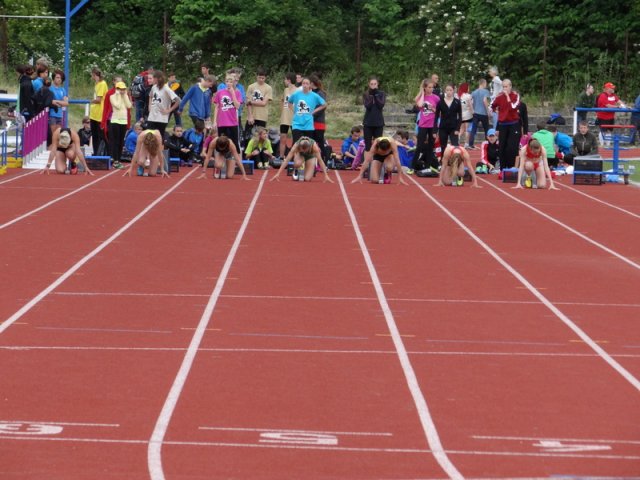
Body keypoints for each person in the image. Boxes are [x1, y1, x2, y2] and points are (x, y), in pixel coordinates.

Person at [490, 79, 521, 171]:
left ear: (510, 87)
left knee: (511, 147)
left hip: (513, 124)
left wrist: (507, 96)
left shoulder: (515, 95)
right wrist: (494, 110)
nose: (504, 88)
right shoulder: (499, 97)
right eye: (503, 87)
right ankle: (502, 168)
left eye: (506, 86)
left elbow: (513, 107)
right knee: (502, 147)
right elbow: (492, 105)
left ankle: (512, 167)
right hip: (503, 124)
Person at [413, 79, 441, 173]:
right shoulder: (421, 96)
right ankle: (413, 166)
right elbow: (420, 104)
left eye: (432, 87)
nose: (431, 89)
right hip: (423, 124)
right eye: (429, 87)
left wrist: (433, 109)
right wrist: (422, 92)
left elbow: (440, 113)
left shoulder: (436, 98)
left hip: (432, 125)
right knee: (419, 145)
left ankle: (428, 166)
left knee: (430, 146)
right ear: (425, 87)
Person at [287, 77, 326, 143]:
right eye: (303, 83)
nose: (305, 85)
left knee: (308, 145)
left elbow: (324, 104)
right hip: (297, 124)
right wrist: (294, 110)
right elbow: (289, 102)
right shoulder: (296, 94)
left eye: (307, 83)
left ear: (310, 85)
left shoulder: (314, 96)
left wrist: (314, 111)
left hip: (308, 125)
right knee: (296, 144)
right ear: (301, 84)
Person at [213, 74, 243, 151]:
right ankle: (222, 160)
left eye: (231, 82)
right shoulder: (220, 92)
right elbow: (216, 107)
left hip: (233, 122)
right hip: (222, 122)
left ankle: (235, 161)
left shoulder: (237, 93)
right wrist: (214, 122)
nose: (229, 83)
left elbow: (237, 106)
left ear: (234, 83)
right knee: (222, 143)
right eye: (227, 81)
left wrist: (232, 93)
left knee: (235, 144)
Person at [147, 70, 179, 138]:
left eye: (154, 78)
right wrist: (149, 106)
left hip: (161, 118)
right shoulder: (154, 87)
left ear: (157, 78)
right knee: (149, 137)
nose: (152, 79)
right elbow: (150, 96)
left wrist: (169, 110)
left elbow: (178, 100)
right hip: (152, 117)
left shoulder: (166, 88)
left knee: (159, 138)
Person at [108, 81, 132, 169]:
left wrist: (125, 95)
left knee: (121, 142)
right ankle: (115, 160)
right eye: (120, 89)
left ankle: (118, 159)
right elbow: (117, 105)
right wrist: (118, 95)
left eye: (123, 89)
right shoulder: (112, 97)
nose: (122, 91)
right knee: (116, 141)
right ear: (117, 89)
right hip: (115, 121)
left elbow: (129, 105)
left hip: (123, 122)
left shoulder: (124, 96)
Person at [435, 84, 462, 158]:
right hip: (443, 128)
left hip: (453, 128)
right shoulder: (440, 102)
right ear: (445, 91)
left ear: (453, 91)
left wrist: (457, 129)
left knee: (455, 146)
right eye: (447, 90)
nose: (449, 92)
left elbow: (460, 117)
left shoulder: (457, 102)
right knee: (443, 146)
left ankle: (456, 162)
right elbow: (436, 116)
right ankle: (443, 162)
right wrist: (435, 130)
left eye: (450, 90)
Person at [362, 76, 386, 154]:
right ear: (369, 85)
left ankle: (376, 164)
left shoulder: (382, 93)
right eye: (371, 84)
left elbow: (381, 105)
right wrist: (371, 96)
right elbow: (367, 106)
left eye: (374, 84)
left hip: (378, 122)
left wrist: (376, 96)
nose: (373, 86)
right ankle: (366, 164)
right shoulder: (366, 94)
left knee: (378, 145)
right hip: (368, 122)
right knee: (367, 146)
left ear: (377, 84)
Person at [245, 68, 273, 134]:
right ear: (256, 76)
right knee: (247, 136)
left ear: (265, 78)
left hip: (262, 116)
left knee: (260, 136)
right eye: (259, 77)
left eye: (262, 78)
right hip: (252, 115)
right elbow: (247, 103)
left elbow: (263, 103)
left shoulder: (268, 88)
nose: (261, 80)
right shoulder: (251, 87)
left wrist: (251, 102)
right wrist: (250, 115)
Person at [89, 68, 109, 155]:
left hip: (100, 114)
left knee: (101, 135)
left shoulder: (102, 84)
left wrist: (90, 101)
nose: (92, 77)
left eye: (93, 75)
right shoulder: (97, 84)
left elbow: (98, 99)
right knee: (95, 135)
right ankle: (96, 152)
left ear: (95, 75)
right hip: (94, 113)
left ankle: (104, 153)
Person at [279, 72, 298, 159]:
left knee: (296, 138)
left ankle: (294, 156)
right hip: (285, 117)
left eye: (285, 79)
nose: (284, 81)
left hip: (294, 118)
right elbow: (282, 100)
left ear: (289, 80)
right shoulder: (285, 90)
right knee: (283, 137)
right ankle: (281, 156)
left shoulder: (298, 90)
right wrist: (282, 110)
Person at [309, 74, 327, 161]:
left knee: (320, 143)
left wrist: (312, 114)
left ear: (312, 83)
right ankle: (312, 161)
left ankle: (323, 161)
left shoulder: (321, 93)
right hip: (310, 122)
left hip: (318, 122)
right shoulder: (310, 93)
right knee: (311, 143)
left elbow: (322, 107)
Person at [49, 70, 68, 134]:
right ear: (53, 78)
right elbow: (51, 101)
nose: (59, 79)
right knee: (53, 134)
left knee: (58, 134)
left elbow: (66, 103)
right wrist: (60, 102)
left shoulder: (63, 90)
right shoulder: (50, 88)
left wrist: (57, 101)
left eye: (61, 78)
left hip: (60, 115)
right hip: (52, 114)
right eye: (57, 77)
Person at [458, 82, 473, 148]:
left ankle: (457, 140)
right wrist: (473, 112)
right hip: (468, 114)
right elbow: (470, 105)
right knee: (467, 129)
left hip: (461, 114)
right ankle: (466, 144)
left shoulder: (458, 95)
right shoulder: (468, 96)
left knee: (461, 129)